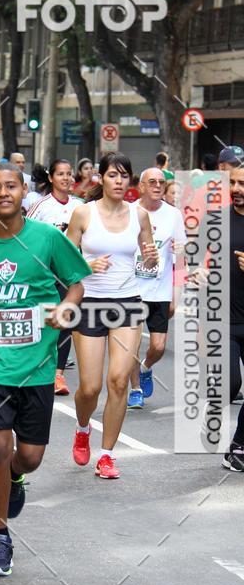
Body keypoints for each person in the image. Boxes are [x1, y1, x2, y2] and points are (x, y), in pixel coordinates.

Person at [0, 161, 90, 576]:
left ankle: (16, 477)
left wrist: (66, 307)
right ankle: (0, 538)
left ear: (23, 192)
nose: (3, 193)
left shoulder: (47, 238)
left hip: (38, 363)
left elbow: (76, 280)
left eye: (11, 186)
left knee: (29, 456)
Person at [66, 152, 158, 479]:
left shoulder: (140, 216)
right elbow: (62, 262)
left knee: (118, 380)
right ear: (100, 179)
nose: (119, 182)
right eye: (112, 175)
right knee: (89, 388)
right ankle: (81, 427)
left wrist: (150, 259)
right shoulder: (82, 214)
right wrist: (86, 266)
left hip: (127, 303)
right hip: (89, 303)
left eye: (124, 176)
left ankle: (106, 455)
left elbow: (150, 265)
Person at [126, 169, 186, 409]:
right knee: (131, 344)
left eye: (162, 182)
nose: (158, 186)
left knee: (158, 346)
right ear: (141, 186)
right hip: (131, 290)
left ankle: (145, 368)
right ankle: (135, 390)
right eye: (152, 182)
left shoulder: (173, 215)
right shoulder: (128, 212)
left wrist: (176, 294)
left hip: (160, 290)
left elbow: (181, 257)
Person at [26, 159, 83, 396]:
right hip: (44, 273)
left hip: (69, 273)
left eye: (69, 174)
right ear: (51, 178)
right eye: (61, 174)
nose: (66, 178)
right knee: (46, 321)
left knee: (66, 322)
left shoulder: (80, 206)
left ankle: (58, 375)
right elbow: (26, 233)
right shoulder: (41, 206)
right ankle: (38, 367)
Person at [224, 166, 244, 471]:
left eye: (242, 183)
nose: (237, 188)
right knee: (231, 383)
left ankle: (237, 444)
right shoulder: (217, 220)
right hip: (224, 319)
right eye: (233, 183)